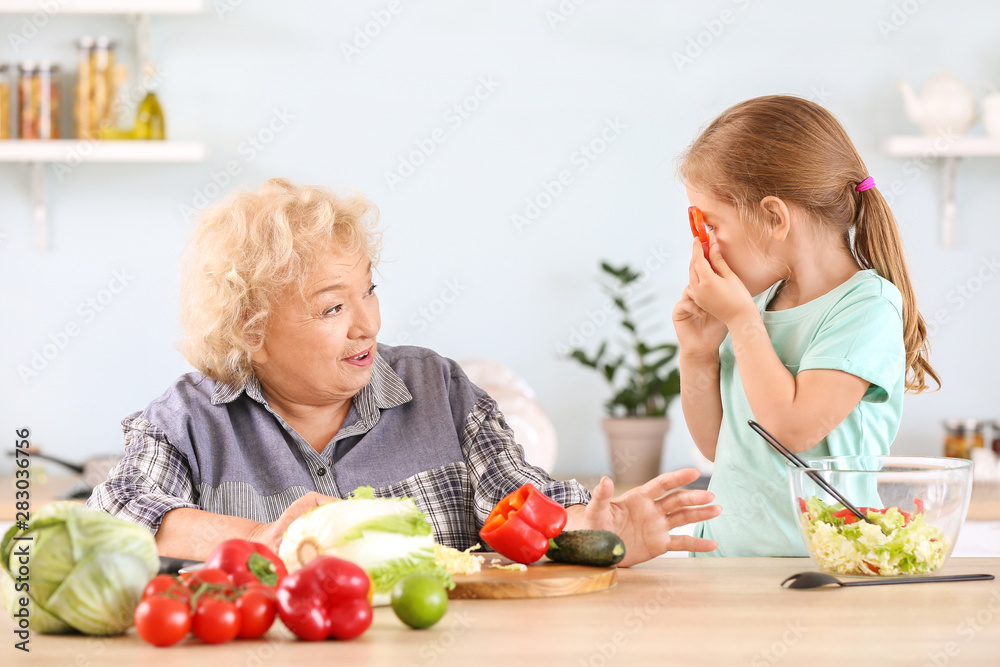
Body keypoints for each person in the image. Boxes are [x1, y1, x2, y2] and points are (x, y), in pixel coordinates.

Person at [88, 178, 722, 567]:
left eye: (368, 290)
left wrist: (598, 530)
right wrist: (263, 538)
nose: (367, 322)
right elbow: (117, 515)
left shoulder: (437, 391)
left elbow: (521, 497)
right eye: (332, 308)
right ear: (250, 331)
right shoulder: (191, 420)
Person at [672, 95, 939, 557]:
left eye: (713, 226)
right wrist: (697, 355)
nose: (705, 245)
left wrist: (741, 321)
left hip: (824, 568)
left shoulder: (866, 307)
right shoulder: (756, 304)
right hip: (721, 561)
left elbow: (792, 430)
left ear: (775, 218)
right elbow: (720, 447)